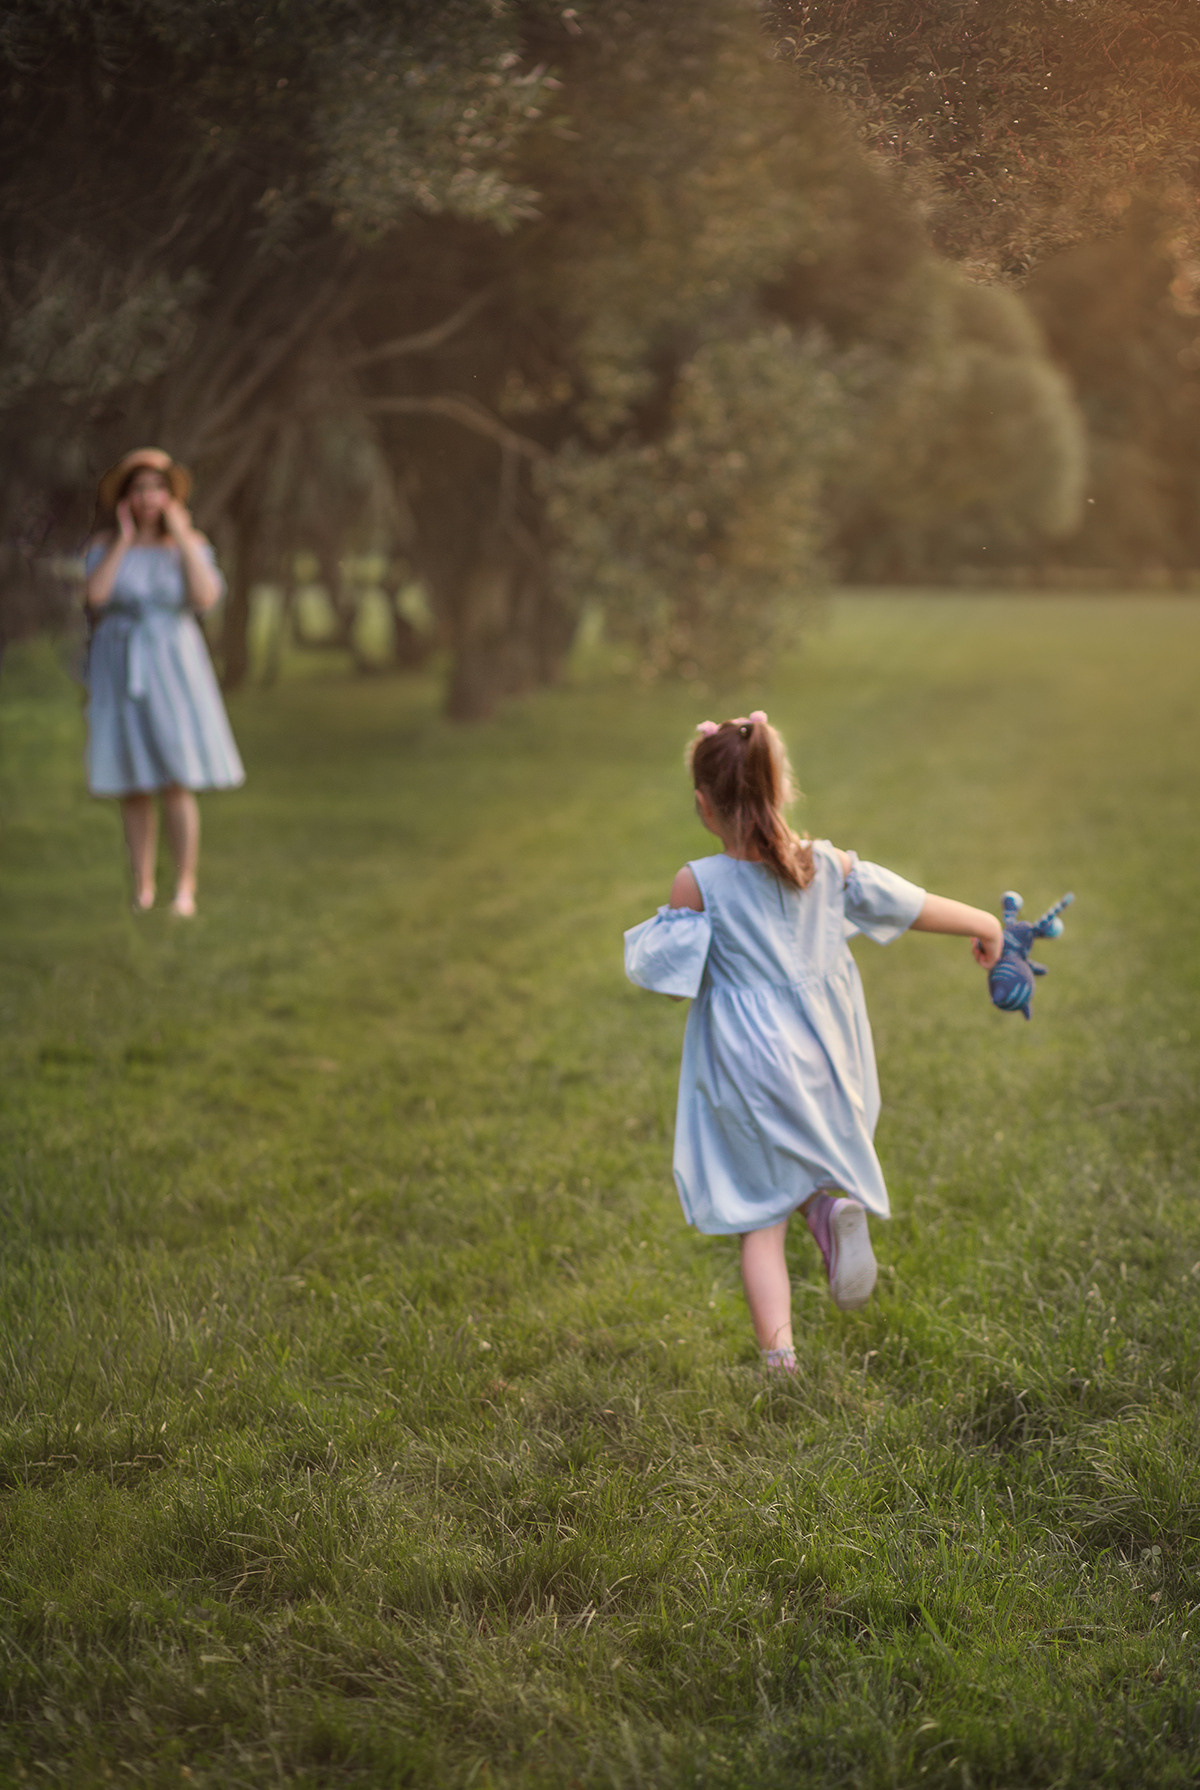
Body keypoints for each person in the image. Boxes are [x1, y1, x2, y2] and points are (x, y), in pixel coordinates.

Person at [623, 712, 1003, 1375]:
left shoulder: (699, 883)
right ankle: (829, 1210)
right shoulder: (827, 865)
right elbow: (908, 903)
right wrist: (985, 923)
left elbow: (668, 972)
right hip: (828, 1056)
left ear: (704, 806)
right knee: (802, 1162)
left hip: (748, 1068)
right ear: (781, 788)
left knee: (759, 1214)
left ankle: (781, 1361)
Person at [83, 447, 244, 916]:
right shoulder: (105, 546)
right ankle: (143, 887)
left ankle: (185, 887)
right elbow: (95, 597)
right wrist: (125, 541)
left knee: (176, 777)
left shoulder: (188, 545)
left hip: (175, 666)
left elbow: (206, 596)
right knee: (134, 781)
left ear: (169, 496)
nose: (149, 497)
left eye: (156, 488)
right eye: (139, 489)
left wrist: (181, 536)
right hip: (122, 664)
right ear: (126, 499)